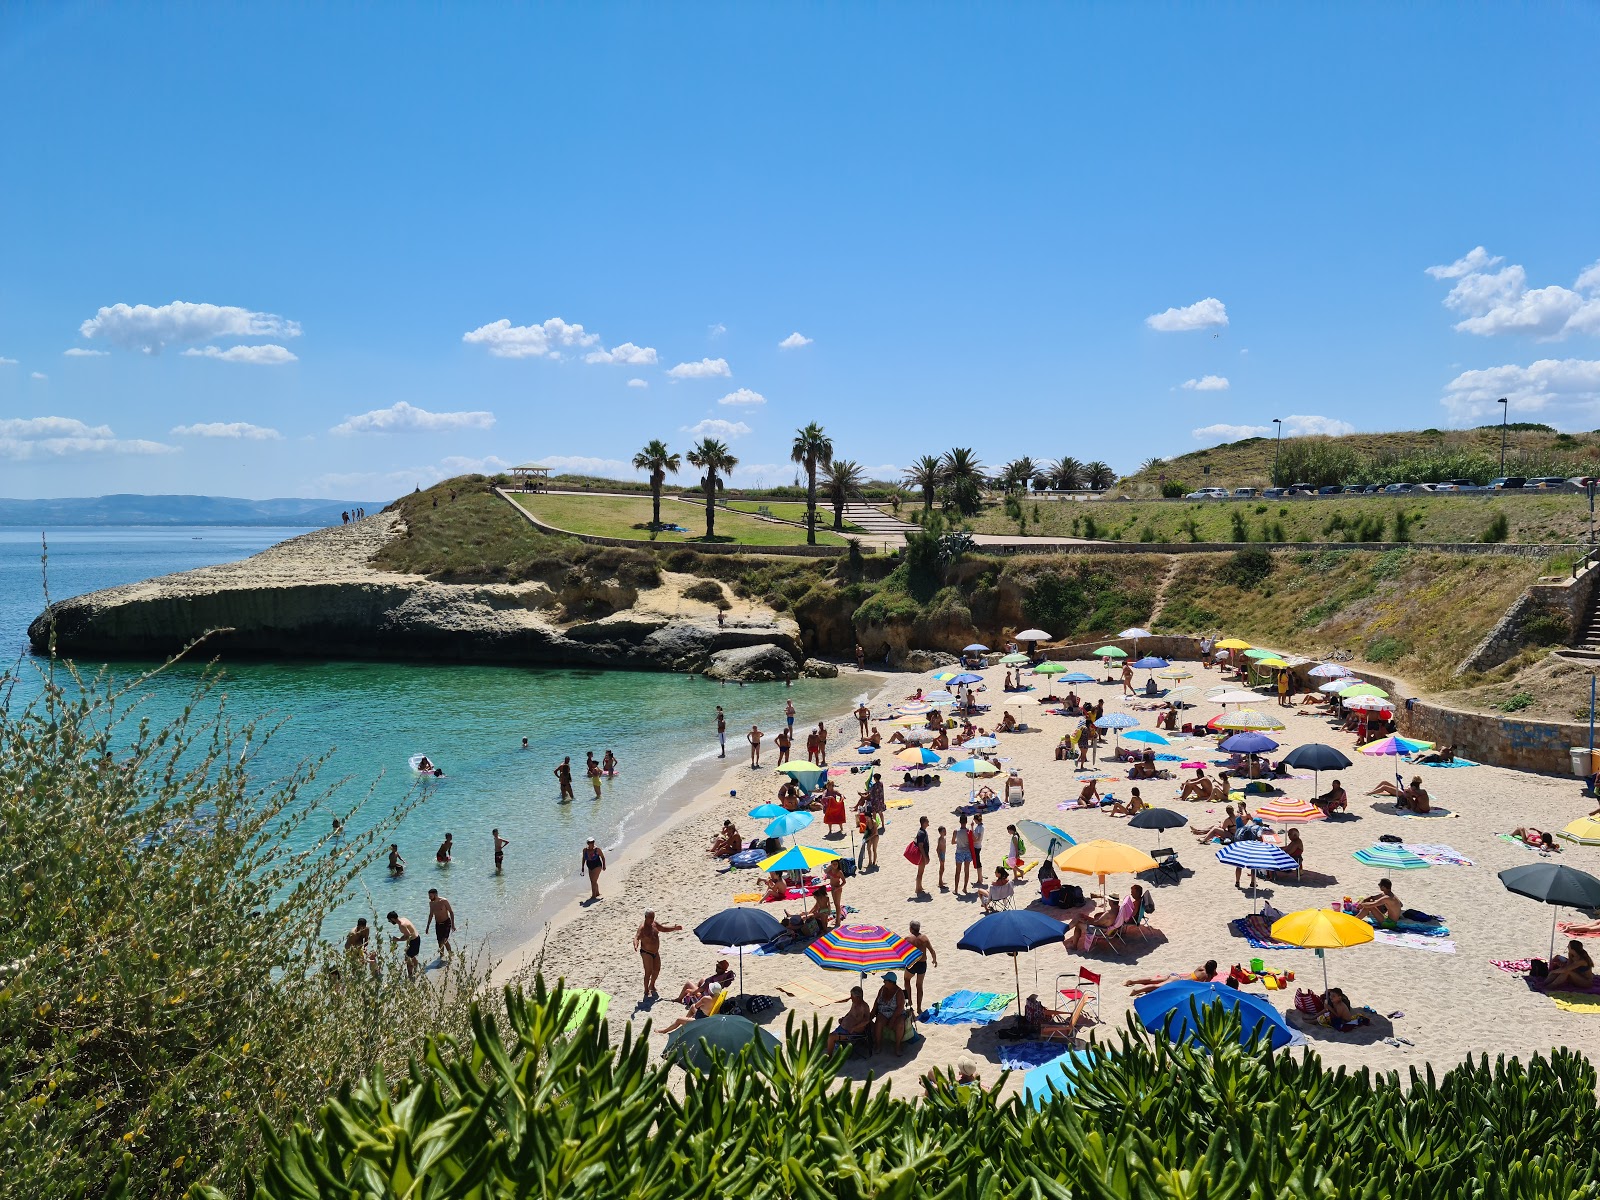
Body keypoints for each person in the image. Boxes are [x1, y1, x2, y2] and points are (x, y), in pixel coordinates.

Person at [1064, 886, 1140, 952]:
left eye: (1109, 900)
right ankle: (1068, 931)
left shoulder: (1109, 914)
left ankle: (1073, 943)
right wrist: (1086, 918)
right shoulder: (1118, 910)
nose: (1108, 901)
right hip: (1108, 928)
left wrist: (1086, 920)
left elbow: (1095, 923)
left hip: (1100, 930)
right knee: (1079, 916)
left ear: (1112, 902)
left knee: (1078, 924)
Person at [633, 911, 681, 999]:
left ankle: (652, 985)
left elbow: (663, 928)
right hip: (646, 952)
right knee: (648, 972)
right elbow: (637, 937)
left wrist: (674, 928)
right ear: (645, 917)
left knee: (657, 969)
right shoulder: (642, 928)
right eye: (650, 917)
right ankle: (646, 990)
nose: (652, 919)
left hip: (655, 952)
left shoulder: (654, 924)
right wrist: (635, 944)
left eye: (653, 917)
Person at [1125, 960, 1218, 998]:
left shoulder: (1201, 967)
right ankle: (1136, 991)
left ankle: (1132, 981)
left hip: (1176, 976)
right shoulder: (1206, 976)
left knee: (1151, 979)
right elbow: (1204, 985)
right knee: (1156, 986)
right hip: (1178, 982)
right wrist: (1212, 975)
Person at [658, 982, 724, 1032]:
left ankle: (664, 1031)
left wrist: (695, 996)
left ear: (710, 990)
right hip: (708, 1017)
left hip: (701, 1020)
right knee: (692, 1007)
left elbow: (697, 1005)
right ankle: (686, 1026)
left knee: (679, 1020)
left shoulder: (706, 998)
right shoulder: (718, 998)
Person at [827, 986, 873, 1055]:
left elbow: (866, 1021)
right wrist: (844, 1018)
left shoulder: (864, 1007)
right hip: (843, 1028)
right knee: (825, 1038)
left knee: (831, 1037)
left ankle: (829, 1057)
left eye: (852, 996)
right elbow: (850, 1013)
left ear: (857, 997)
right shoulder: (854, 1003)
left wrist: (855, 1028)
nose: (851, 998)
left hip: (850, 1033)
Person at [872, 972, 909, 1053]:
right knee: (879, 1022)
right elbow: (876, 1002)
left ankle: (898, 1046)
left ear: (891, 982)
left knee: (900, 1023)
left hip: (897, 1013)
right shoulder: (882, 989)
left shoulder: (899, 992)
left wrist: (892, 1019)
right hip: (884, 1012)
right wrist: (872, 1013)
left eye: (885, 980)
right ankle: (878, 1045)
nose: (883, 982)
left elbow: (900, 1008)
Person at [386, 910, 422, 980]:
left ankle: (410, 976)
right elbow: (408, 934)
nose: (390, 922)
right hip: (416, 938)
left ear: (392, 919)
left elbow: (408, 936)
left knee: (407, 958)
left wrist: (397, 939)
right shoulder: (403, 919)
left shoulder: (402, 925)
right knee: (411, 956)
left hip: (414, 941)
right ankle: (416, 969)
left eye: (389, 920)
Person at [426, 888, 456, 958]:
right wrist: (427, 926)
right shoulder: (431, 903)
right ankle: (441, 958)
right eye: (429, 896)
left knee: (445, 940)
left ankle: (450, 955)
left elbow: (451, 912)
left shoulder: (444, 901)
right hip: (438, 924)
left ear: (435, 895)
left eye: (430, 896)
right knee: (440, 942)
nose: (429, 898)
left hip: (446, 923)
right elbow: (431, 915)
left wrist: (453, 925)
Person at [953, 813, 973, 894]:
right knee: (966, 871)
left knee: (958, 871)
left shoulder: (956, 831)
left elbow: (952, 842)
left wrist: (958, 841)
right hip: (967, 852)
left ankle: (956, 889)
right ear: (966, 822)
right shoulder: (968, 831)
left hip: (959, 852)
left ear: (959, 821)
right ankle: (965, 888)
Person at [913, 816, 931, 896]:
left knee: (921, 872)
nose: (928, 823)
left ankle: (919, 886)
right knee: (920, 872)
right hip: (921, 855)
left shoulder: (922, 831)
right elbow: (920, 846)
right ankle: (917, 888)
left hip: (922, 855)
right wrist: (925, 857)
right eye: (927, 821)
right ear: (924, 823)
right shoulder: (921, 833)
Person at [824, 857, 846, 924]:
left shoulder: (839, 872)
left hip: (837, 888)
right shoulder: (830, 869)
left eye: (836, 864)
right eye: (833, 864)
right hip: (832, 887)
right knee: (835, 903)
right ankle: (837, 918)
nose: (835, 865)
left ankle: (838, 921)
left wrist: (838, 887)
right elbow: (825, 871)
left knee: (837, 904)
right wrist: (831, 866)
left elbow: (844, 882)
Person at [935, 825, 949, 892]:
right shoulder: (940, 839)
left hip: (943, 854)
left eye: (945, 831)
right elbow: (937, 849)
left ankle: (941, 881)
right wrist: (939, 857)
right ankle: (940, 883)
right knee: (942, 868)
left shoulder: (944, 839)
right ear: (940, 832)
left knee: (942, 868)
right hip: (941, 854)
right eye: (943, 831)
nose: (945, 832)